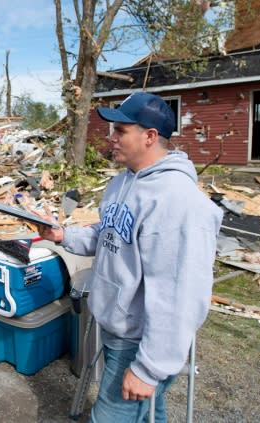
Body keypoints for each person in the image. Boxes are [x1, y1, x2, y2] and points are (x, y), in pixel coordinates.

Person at [37, 92, 222, 422]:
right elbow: (107, 233)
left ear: (150, 136)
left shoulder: (177, 203)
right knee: (149, 414)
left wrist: (148, 369)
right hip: (116, 328)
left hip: (139, 343)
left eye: (121, 131)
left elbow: (179, 295)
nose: (112, 138)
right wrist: (63, 235)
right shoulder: (123, 182)